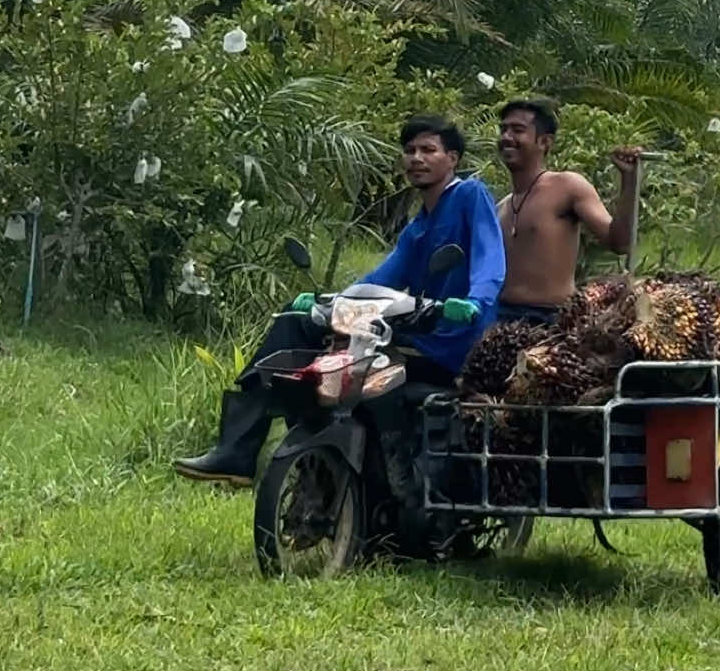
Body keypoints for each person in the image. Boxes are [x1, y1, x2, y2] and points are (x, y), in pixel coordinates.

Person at [173, 115, 505, 485]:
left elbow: (491, 259)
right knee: (295, 324)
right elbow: (382, 279)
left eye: (428, 150)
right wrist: (327, 301)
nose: (416, 158)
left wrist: (476, 301)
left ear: (453, 159)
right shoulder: (417, 227)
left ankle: (394, 472)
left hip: (456, 341)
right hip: (418, 337)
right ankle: (241, 450)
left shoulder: (469, 196)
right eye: (409, 150)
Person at [495, 98, 644, 326]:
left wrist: (629, 180)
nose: (507, 137)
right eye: (503, 129)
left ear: (545, 142)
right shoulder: (502, 207)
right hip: (502, 320)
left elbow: (620, 242)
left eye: (518, 130)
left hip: (551, 320)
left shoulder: (567, 186)